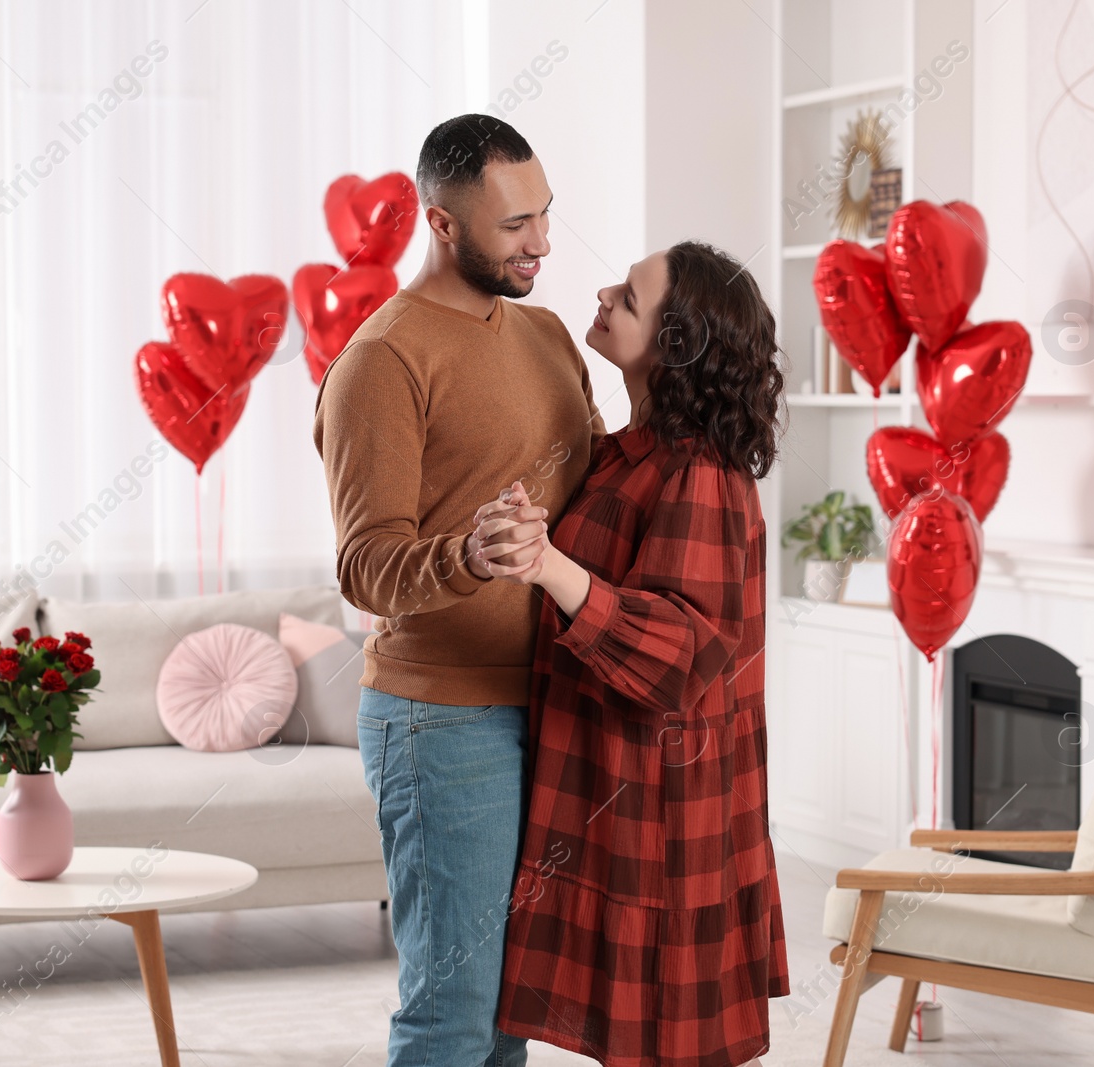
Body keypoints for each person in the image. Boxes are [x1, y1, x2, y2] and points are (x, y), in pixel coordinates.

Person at [312, 113, 605, 1066]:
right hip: (440, 721)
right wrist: (468, 556)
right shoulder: (383, 360)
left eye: (546, 215)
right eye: (515, 225)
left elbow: (594, 488)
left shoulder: (549, 333)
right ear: (443, 226)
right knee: (453, 1009)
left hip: (551, 702)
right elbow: (364, 563)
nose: (543, 243)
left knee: (509, 1009)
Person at [470, 241, 791, 1066]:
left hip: (664, 810)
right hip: (614, 790)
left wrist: (549, 566)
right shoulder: (624, 452)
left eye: (633, 296)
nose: (607, 293)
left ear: (675, 342)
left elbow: (681, 650)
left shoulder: (703, 473)